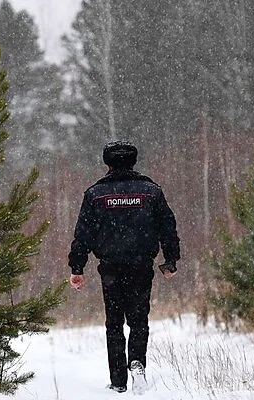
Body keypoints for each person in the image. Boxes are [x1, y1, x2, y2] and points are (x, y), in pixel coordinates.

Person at [68, 140, 181, 394]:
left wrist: (77, 267)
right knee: (139, 320)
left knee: (114, 323)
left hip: (110, 267)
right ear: (134, 161)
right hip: (141, 265)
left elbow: (83, 234)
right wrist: (171, 259)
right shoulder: (151, 191)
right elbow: (167, 227)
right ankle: (138, 362)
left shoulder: (95, 194)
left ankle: (118, 381)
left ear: (107, 163)